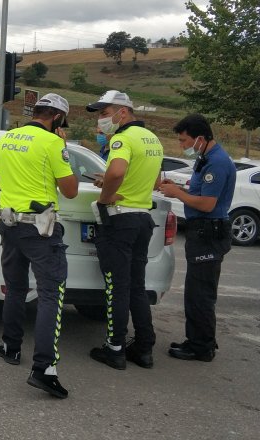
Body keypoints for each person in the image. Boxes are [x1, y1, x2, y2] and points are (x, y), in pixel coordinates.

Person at [0, 93, 78, 399]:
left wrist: (17, 181)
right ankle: (44, 370)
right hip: (41, 230)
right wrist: (62, 149)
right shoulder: (53, 144)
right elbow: (71, 190)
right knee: (51, 295)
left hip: (9, 225)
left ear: (36, 112)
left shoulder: (8, 138)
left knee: (15, 288)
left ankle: (10, 347)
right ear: (57, 118)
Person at [86, 90, 163, 370]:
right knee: (136, 287)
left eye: (104, 114)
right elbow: (154, 181)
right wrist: (109, 181)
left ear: (122, 112)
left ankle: (115, 349)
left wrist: (105, 195)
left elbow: (118, 173)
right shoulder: (152, 139)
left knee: (116, 287)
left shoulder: (121, 138)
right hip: (143, 219)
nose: (101, 120)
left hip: (120, 219)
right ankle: (144, 348)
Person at [158, 114, 236, 362]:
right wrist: (178, 189)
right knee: (195, 292)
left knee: (200, 294)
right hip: (202, 230)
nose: (182, 146)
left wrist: (177, 193)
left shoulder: (217, 163)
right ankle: (199, 339)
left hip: (209, 231)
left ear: (199, 139)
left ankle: (201, 347)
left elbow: (207, 203)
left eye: (184, 141)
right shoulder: (206, 159)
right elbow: (199, 193)